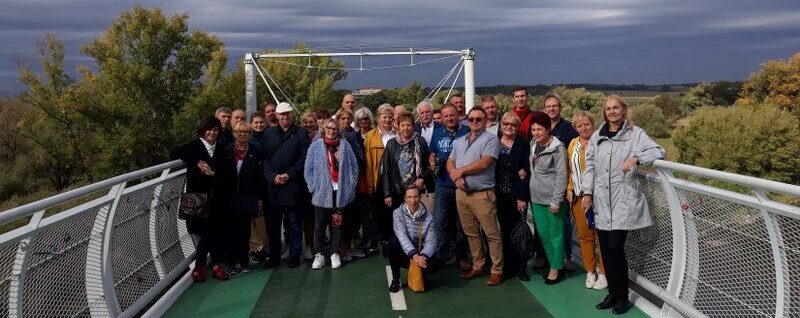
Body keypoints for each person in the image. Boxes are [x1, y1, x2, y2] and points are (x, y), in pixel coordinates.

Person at [581, 95, 664, 314]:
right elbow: (590, 166)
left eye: (615, 107)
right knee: (606, 252)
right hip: (601, 201)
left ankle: (622, 297)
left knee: (615, 249)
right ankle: (613, 294)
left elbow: (658, 151)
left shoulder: (636, 134)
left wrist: (637, 159)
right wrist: (587, 193)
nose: (611, 111)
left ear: (624, 110)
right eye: (607, 108)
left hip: (622, 201)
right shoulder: (598, 135)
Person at [447, 107, 504, 286]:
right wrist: (455, 177)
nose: (474, 122)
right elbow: (450, 161)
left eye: (478, 119)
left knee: (492, 234)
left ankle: (496, 270)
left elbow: (485, 162)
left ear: (485, 120)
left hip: (482, 195)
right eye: (471, 119)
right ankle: (478, 265)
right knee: (471, 233)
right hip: (462, 194)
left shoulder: (491, 139)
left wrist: (459, 172)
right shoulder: (461, 140)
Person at [170, 116, 229, 282]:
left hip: (217, 198)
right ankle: (213, 266)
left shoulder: (222, 149)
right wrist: (195, 161)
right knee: (206, 231)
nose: (212, 133)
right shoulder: (194, 147)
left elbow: (228, 175)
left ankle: (202, 267)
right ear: (202, 131)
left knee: (212, 231)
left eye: (215, 130)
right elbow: (174, 153)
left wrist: (214, 174)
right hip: (198, 199)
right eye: (208, 129)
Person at [304, 119, 359, 269]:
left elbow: (354, 167)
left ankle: (334, 253)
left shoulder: (345, 146)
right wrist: (313, 187)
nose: (331, 130)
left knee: (337, 223)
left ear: (338, 131)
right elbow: (308, 168)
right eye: (329, 128)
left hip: (339, 192)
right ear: (324, 129)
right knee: (319, 225)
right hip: (321, 193)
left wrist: (350, 186)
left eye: (335, 128)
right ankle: (319, 254)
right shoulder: (316, 145)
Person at [260, 102, 309, 269]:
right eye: (282, 114)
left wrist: (289, 174)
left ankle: (295, 254)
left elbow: (303, 158)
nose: (284, 117)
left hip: (292, 184)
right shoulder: (268, 134)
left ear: (291, 115)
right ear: (277, 116)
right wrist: (272, 177)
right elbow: (264, 159)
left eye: (287, 114)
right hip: (273, 186)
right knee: (273, 225)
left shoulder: (301, 133)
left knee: (294, 222)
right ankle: (274, 256)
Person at [566, 111, 607, 290]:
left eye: (586, 124)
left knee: (603, 236)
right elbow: (570, 170)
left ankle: (604, 273)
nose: (583, 128)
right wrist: (569, 188)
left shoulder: (602, 141)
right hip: (579, 197)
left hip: (600, 198)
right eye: (579, 126)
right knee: (585, 236)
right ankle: (590, 271)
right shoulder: (573, 144)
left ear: (593, 124)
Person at [527, 111, 569, 285]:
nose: (536, 133)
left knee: (556, 235)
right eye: (533, 129)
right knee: (544, 235)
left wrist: (556, 200)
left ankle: (555, 269)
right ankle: (555, 263)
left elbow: (561, 176)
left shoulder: (558, 148)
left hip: (552, 200)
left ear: (548, 129)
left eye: (540, 129)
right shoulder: (533, 144)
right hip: (536, 199)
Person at [428, 103, 470, 272]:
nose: (449, 118)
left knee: (462, 224)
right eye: (446, 116)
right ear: (442, 118)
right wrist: (432, 163)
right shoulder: (438, 133)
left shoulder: (466, 132)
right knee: (439, 223)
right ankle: (440, 256)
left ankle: (462, 257)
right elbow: (432, 152)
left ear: (457, 115)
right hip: (442, 185)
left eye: (452, 115)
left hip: (461, 184)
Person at [542, 93, 580, 272]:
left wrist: (570, 185)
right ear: (544, 109)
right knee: (545, 222)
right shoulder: (540, 128)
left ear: (560, 108)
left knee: (563, 221)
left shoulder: (569, 129)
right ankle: (548, 256)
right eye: (548, 106)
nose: (551, 109)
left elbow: (573, 156)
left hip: (561, 182)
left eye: (554, 106)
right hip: (542, 183)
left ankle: (566, 257)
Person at [222, 121, 265, 275]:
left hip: (248, 197)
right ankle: (232, 263)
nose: (243, 135)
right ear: (234, 133)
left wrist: (259, 198)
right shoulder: (227, 152)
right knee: (232, 231)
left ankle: (244, 261)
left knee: (245, 231)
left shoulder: (255, 151)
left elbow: (260, 177)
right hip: (231, 197)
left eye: (246, 132)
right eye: (239, 132)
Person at [495, 112, 531, 281]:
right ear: (501, 125)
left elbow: (526, 171)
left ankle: (521, 267)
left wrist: (522, 197)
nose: (509, 127)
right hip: (498, 195)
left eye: (513, 124)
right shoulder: (493, 143)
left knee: (520, 233)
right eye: (506, 124)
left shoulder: (522, 144)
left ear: (517, 127)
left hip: (516, 196)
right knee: (504, 232)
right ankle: (508, 265)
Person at [388, 185, 440, 293]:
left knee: (426, 281)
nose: (413, 200)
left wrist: (423, 256)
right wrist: (414, 255)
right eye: (409, 197)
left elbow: (431, 241)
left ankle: (423, 270)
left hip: (421, 254)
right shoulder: (397, 213)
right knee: (393, 243)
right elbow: (401, 236)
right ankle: (396, 278)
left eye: (416, 197)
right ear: (405, 198)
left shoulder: (429, 217)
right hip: (407, 253)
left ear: (420, 197)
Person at [381, 112, 433, 214]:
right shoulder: (391, 144)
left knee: (417, 220)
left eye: (408, 125)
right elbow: (386, 169)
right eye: (403, 125)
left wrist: (422, 179)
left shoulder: (421, 141)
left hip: (417, 190)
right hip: (397, 191)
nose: (405, 128)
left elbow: (428, 166)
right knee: (399, 221)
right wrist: (387, 194)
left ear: (413, 126)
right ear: (398, 127)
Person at [335, 108, 367, 259]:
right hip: (340, 182)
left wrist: (358, 172)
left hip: (355, 180)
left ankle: (353, 245)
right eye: (343, 119)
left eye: (348, 118)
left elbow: (361, 155)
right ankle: (343, 247)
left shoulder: (355, 135)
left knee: (355, 215)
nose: (346, 121)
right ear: (338, 120)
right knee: (342, 216)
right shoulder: (335, 135)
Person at [364, 104, 397, 248]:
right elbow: (369, 162)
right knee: (380, 212)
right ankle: (383, 240)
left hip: (396, 180)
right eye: (385, 117)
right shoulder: (370, 136)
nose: (388, 120)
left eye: (390, 117)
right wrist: (370, 184)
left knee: (395, 211)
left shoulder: (397, 134)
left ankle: (395, 239)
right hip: (378, 179)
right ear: (378, 118)